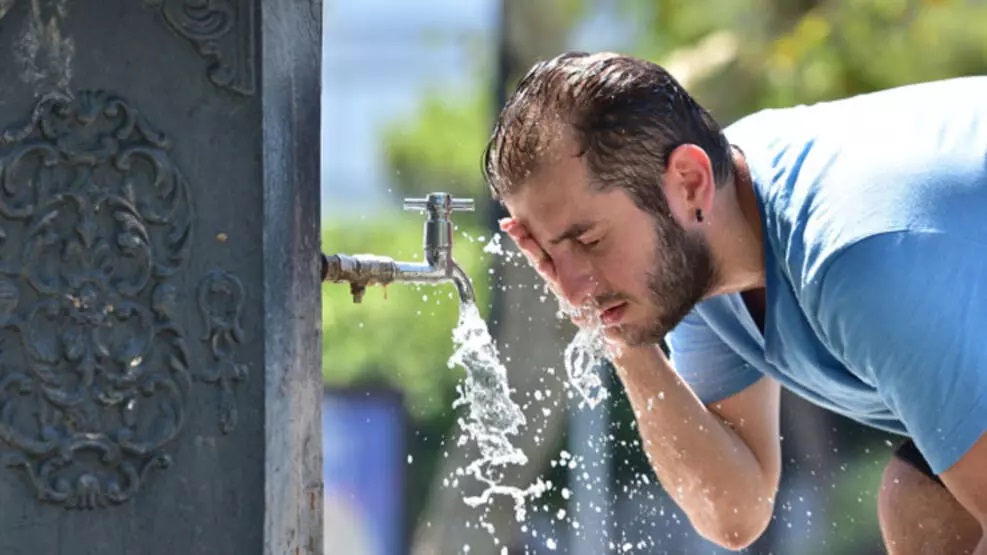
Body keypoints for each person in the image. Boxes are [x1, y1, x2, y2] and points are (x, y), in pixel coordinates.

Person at [482, 50, 987, 554]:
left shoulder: (856, 262)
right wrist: (614, 330)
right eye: (548, 255)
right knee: (924, 508)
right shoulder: (702, 243)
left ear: (689, 181)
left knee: (921, 506)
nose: (570, 288)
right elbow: (733, 512)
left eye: (589, 240)